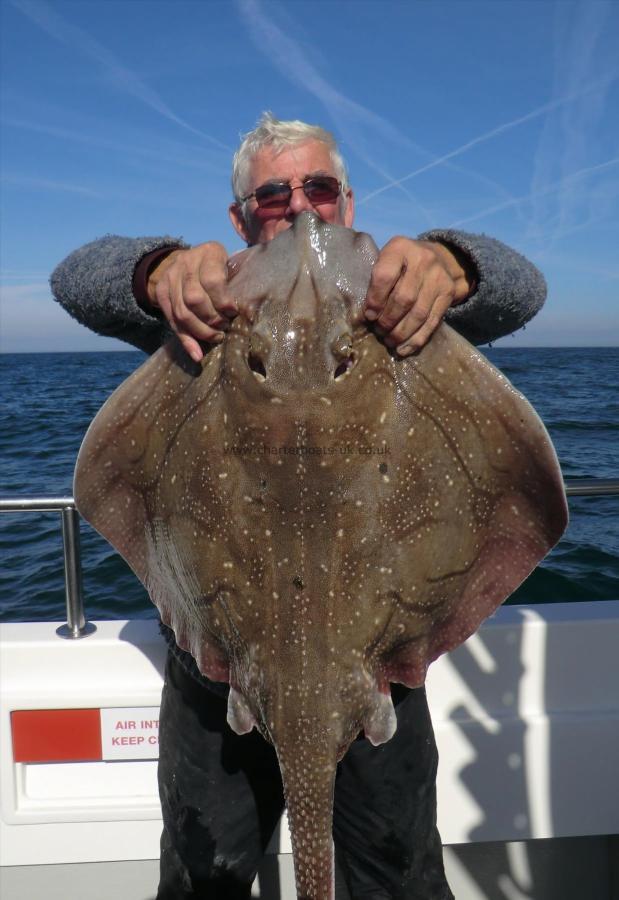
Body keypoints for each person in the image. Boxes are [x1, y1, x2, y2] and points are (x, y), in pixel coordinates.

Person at [51, 112, 546, 900]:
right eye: (273, 195)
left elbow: (522, 290)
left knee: (397, 878)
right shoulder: (203, 314)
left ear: (347, 201)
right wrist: (157, 273)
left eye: (318, 187)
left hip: (377, 664)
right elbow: (76, 275)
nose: (301, 209)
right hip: (221, 668)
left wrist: (453, 265)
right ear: (241, 218)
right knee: (204, 881)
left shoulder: (401, 306)